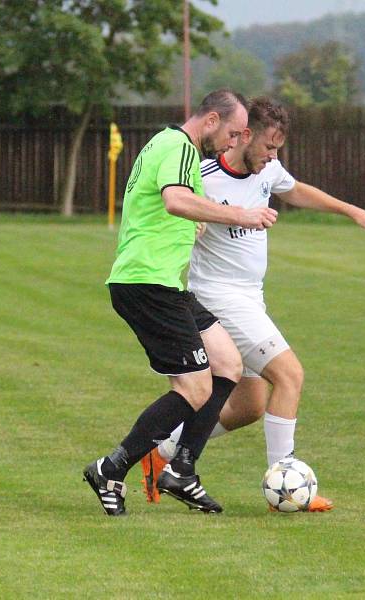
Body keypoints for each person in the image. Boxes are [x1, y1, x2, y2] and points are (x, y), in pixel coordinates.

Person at [146, 97, 365, 511]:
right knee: (290, 374)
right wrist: (196, 222)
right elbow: (174, 205)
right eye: (269, 147)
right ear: (246, 135)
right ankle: (286, 487)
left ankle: (161, 453)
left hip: (251, 297)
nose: (273, 158)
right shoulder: (202, 174)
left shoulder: (267, 169)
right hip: (219, 297)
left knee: (248, 407)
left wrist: (351, 211)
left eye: (278, 151)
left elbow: (296, 191)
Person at [83, 89, 279, 516]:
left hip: (165, 284)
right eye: (230, 134)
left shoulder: (168, 146)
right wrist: (242, 215)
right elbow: (174, 200)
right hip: (146, 283)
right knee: (194, 387)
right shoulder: (179, 147)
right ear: (211, 120)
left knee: (227, 364)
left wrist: (198, 225)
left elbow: (167, 208)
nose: (232, 144)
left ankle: (182, 471)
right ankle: (110, 467)